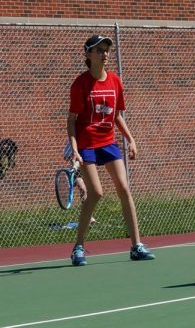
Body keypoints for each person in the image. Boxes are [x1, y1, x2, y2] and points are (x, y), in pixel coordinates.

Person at [67, 34, 155, 266]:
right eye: (99, 50)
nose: (104, 53)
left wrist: (131, 139)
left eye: (106, 49)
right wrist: (75, 149)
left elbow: (116, 115)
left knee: (124, 188)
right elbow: (72, 120)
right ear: (88, 54)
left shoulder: (115, 81)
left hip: (108, 142)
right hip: (87, 144)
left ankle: (136, 245)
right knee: (96, 193)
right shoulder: (80, 84)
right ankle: (78, 247)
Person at [62, 141, 97, 225]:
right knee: (83, 189)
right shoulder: (71, 142)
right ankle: (89, 217)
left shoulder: (88, 139)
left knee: (93, 191)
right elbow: (66, 157)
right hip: (76, 171)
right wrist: (75, 156)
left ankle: (86, 214)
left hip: (88, 169)